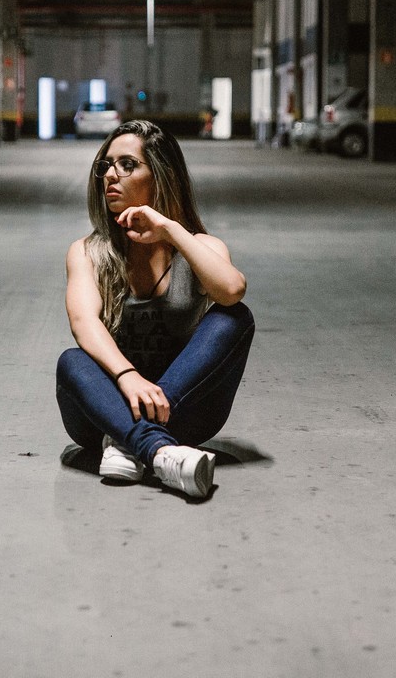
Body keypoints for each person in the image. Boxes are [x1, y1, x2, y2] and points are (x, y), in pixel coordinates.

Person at [56, 120, 255, 498]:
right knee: (72, 361)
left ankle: (129, 443)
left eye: (127, 164)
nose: (110, 175)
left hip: (182, 407)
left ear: (160, 175)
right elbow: (83, 322)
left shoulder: (200, 248)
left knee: (235, 318)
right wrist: (127, 376)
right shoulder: (88, 252)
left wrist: (169, 229)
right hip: (101, 413)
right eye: (105, 165)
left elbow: (232, 290)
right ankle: (159, 451)